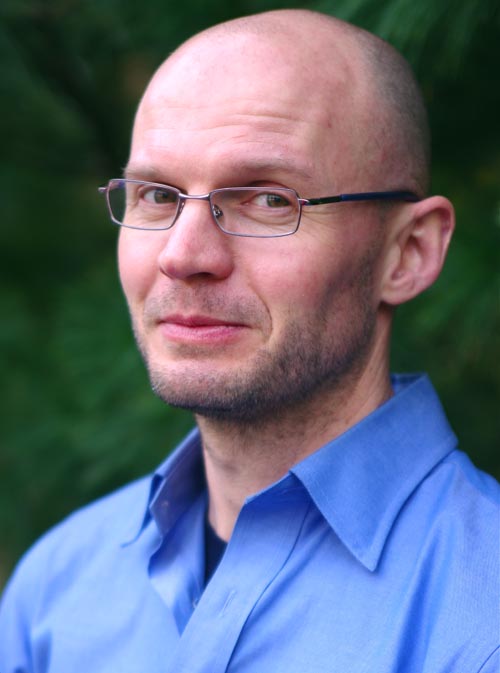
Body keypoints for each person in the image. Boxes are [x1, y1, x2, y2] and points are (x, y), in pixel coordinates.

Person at [0, 8, 498, 673]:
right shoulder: (56, 593)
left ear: (408, 252)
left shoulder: (483, 617)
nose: (183, 255)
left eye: (268, 200)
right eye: (156, 195)